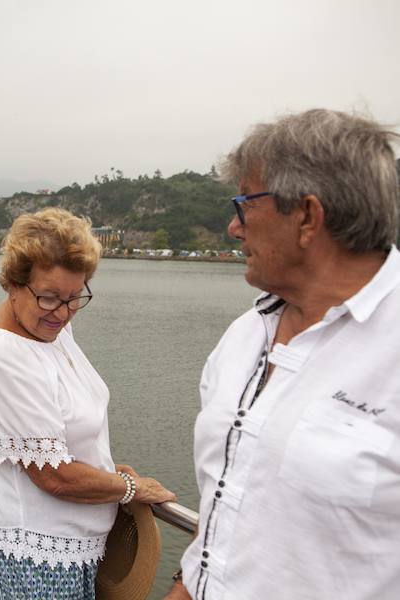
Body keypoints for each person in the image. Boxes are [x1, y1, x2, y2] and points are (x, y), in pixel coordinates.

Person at [163, 109, 400, 600]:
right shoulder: (244, 336)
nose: (233, 227)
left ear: (307, 216)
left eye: (243, 204)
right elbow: (225, 515)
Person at [0, 208, 175, 599]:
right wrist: (128, 487)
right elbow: (54, 475)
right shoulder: (5, 354)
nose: (62, 312)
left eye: (75, 297)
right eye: (49, 297)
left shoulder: (52, 329)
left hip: (71, 545)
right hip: (36, 558)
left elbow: (64, 426)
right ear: (12, 284)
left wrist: (103, 468)